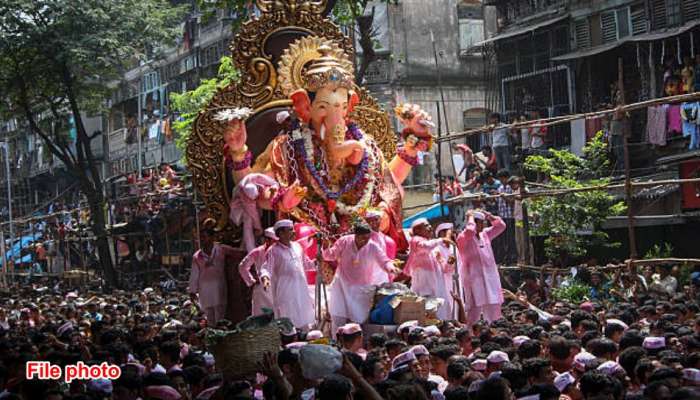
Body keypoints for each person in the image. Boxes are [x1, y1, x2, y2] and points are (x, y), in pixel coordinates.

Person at [323, 222, 399, 329]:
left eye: (368, 238)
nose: (365, 241)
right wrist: (325, 248)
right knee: (338, 315)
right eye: (363, 238)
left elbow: (384, 261)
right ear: (356, 236)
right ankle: (337, 340)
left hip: (361, 287)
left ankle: (356, 340)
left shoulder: (372, 246)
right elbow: (330, 255)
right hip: (342, 283)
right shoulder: (344, 241)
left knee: (359, 318)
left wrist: (391, 268)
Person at [261, 219, 315, 329]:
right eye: (290, 230)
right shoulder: (274, 250)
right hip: (286, 292)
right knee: (288, 320)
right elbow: (266, 268)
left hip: (301, 290)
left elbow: (307, 264)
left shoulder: (297, 246)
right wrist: (265, 278)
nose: (294, 232)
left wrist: (317, 261)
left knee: (304, 318)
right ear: (281, 233)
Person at [457, 209, 506, 325]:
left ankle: (494, 326)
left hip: (490, 277)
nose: (483, 225)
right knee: (475, 306)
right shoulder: (463, 237)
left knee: (493, 303)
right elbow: (469, 230)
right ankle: (472, 329)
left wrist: (488, 215)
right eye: (480, 222)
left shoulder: (485, 234)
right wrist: (470, 217)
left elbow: (501, 226)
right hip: (473, 278)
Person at [404, 218, 453, 320]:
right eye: (426, 226)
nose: (430, 227)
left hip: (438, 286)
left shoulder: (434, 248)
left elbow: (444, 268)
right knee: (426, 309)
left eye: (429, 225)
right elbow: (425, 246)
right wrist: (442, 239)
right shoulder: (416, 241)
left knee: (441, 311)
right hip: (424, 285)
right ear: (417, 231)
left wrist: (449, 263)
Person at [188, 224, 237, 324]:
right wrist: (192, 291)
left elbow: (238, 253)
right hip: (205, 291)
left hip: (219, 288)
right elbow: (194, 275)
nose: (201, 240)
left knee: (220, 317)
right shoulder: (197, 256)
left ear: (212, 237)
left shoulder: (221, 249)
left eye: (204, 237)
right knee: (209, 319)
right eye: (200, 238)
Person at [238, 227, 277, 316]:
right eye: (273, 241)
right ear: (267, 240)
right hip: (262, 288)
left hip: (276, 287)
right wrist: (251, 281)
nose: (275, 243)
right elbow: (242, 266)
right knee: (261, 316)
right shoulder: (257, 252)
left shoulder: (278, 251)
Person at [434, 223, 459, 320]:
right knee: (446, 306)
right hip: (443, 283)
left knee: (456, 305)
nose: (449, 234)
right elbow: (444, 268)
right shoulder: (437, 249)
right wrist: (449, 263)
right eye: (445, 232)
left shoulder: (454, 248)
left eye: (449, 231)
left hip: (455, 281)